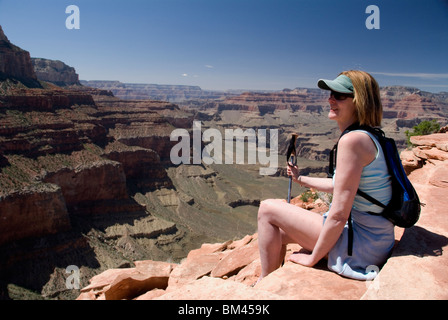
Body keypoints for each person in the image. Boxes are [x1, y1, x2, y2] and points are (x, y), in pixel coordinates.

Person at [256, 70, 395, 282]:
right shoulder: (371, 135)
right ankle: (270, 281)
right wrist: (301, 179)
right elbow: (343, 185)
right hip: (375, 240)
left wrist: (314, 257)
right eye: (330, 93)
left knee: (267, 209)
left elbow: (339, 214)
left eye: (339, 95)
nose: (330, 99)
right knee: (278, 233)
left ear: (359, 101)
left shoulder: (353, 141)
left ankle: (264, 286)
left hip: (361, 246)